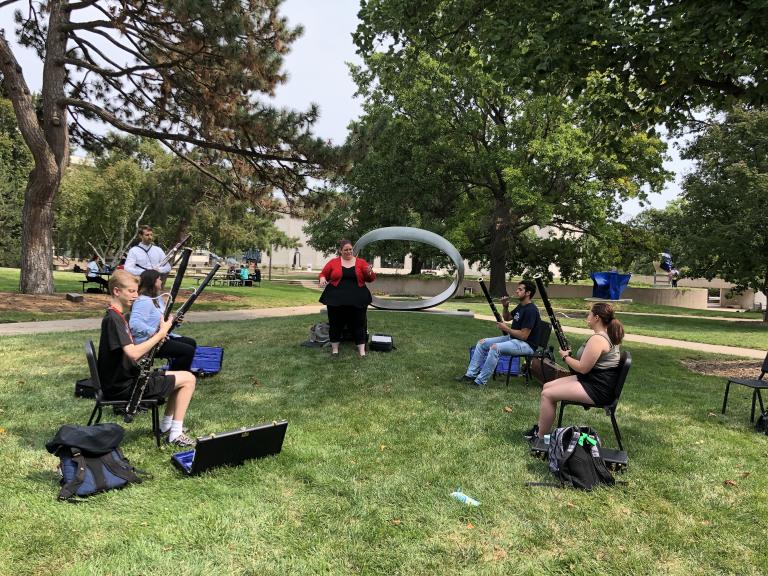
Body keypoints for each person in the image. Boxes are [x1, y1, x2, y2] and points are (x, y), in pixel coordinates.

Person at [98, 270, 197, 447]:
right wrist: (160, 334)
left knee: (180, 375)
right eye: (131, 291)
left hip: (126, 380)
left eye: (136, 291)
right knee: (189, 379)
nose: (135, 296)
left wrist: (157, 339)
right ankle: (175, 433)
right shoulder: (114, 319)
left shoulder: (116, 316)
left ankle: (167, 426)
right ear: (116, 291)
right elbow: (134, 353)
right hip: (124, 387)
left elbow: (131, 355)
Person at [524, 302, 624, 440]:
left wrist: (565, 357)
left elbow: (583, 368)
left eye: (589, 313)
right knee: (547, 387)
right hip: (593, 380)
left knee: (547, 394)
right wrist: (569, 355)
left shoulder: (598, 339)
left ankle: (540, 438)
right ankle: (542, 428)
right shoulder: (604, 335)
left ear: (597, 318)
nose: (587, 316)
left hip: (597, 388)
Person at [455, 280, 541, 386]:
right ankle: (470, 375)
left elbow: (524, 336)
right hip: (514, 339)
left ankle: (480, 382)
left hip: (527, 345)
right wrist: (505, 306)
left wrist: (507, 329)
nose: (517, 291)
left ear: (528, 293)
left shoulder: (531, 310)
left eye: (520, 289)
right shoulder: (521, 306)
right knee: (482, 343)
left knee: (495, 348)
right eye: (517, 288)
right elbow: (507, 317)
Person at [129, 270, 198, 373]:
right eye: (160, 279)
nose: (162, 281)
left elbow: (163, 320)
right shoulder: (143, 301)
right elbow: (134, 324)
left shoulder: (157, 299)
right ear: (153, 281)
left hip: (160, 338)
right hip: (148, 341)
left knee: (191, 343)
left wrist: (175, 321)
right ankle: (176, 378)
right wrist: (155, 333)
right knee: (187, 351)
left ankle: (175, 371)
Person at [318, 239, 376, 358]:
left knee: (359, 324)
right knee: (335, 324)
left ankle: (362, 351)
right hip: (335, 299)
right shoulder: (333, 262)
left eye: (350, 249)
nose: (349, 252)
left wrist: (370, 272)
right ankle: (335, 350)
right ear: (340, 251)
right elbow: (323, 274)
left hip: (358, 298)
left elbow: (370, 278)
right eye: (346, 250)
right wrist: (322, 278)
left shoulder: (361, 262)